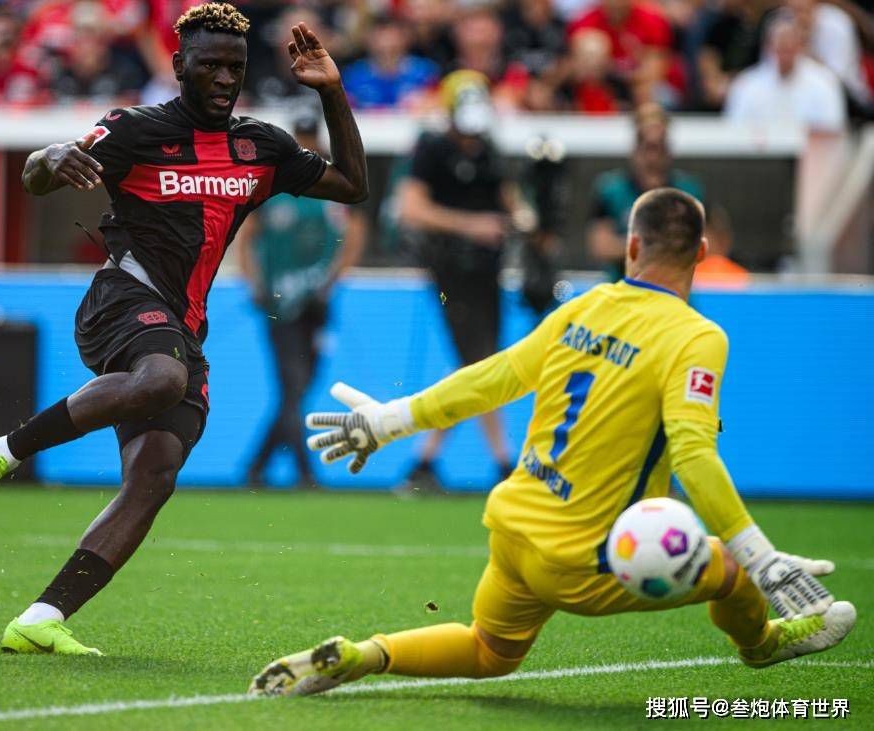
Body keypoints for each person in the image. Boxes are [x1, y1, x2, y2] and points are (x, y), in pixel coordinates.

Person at [248, 188, 856, 697]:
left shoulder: (584, 306)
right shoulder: (698, 338)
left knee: (490, 650)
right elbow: (695, 457)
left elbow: (493, 377)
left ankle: (364, 655)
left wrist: (388, 421)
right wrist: (761, 554)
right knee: (731, 569)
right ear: (701, 251)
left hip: (514, 531)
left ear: (633, 246)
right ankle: (764, 644)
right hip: (587, 560)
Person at [0, 3, 367, 655]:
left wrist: (333, 92)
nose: (225, 78)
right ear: (178, 67)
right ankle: (5, 450)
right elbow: (34, 179)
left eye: (235, 67)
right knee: (160, 376)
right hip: (122, 297)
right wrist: (51, 154)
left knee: (156, 473)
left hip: (181, 326)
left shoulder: (261, 148)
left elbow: (353, 185)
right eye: (210, 65)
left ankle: (41, 615)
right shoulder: (136, 131)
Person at [398, 70, 525, 492]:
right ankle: (505, 462)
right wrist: (472, 226)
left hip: (488, 273)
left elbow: (512, 203)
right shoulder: (432, 148)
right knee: (482, 364)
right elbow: (412, 209)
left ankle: (426, 462)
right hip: (451, 271)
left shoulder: (488, 150)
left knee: (475, 365)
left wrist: (526, 218)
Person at [237, 113, 367, 488]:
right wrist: (253, 282)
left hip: (317, 303)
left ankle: (257, 466)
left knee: (301, 385)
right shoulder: (271, 181)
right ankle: (303, 472)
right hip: (279, 305)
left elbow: (356, 231)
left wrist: (335, 277)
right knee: (293, 385)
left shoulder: (332, 181)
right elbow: (247, 235)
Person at [588, 103, 703, 281]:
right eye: (648, 147)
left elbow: (712, 242)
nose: (653, 158)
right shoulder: (611, 189)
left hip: (673, 293)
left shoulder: (687, 191)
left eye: (660, 147)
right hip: (623, 290)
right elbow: (601, 246)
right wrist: (660, 248)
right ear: (635, 148)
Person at [723, 15, 847, 132]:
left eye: (789, 47)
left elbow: (831, 132)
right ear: (768, 47)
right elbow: (734, 134)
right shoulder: (746, 86)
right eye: (780, 47)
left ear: (800, 46)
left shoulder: (824, 83)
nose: (785, 55)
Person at [340, 14, 438, 110]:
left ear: (405, 39)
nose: (386, 44)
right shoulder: (352, 76)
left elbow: (437, 107)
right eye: (380, 38)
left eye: (392, 40)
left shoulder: (425, 72)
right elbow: (344, 111)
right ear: (368, 40)